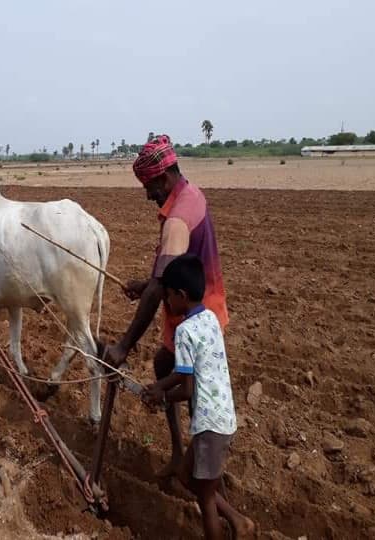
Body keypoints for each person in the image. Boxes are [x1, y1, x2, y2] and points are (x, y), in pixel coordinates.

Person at [104, 134, 229, 475]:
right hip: (206, 309)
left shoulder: (176, 220)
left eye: (149, 186)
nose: (148, 194)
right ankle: (180, 456)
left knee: (197, 402)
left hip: (195, 319)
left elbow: (162, 286)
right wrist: (144, 284)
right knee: (164, 364)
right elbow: (169, 273)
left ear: (163, 177)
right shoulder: (192, 194)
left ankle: (200, 474)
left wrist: (123, 346)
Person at [141, 254, 253, 539]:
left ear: (181, 295)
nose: (165, 302)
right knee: (185, 476)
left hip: (208, 426)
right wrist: (162, 387)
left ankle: (237, 523)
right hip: (223, 416)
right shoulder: (210, 319)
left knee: (205, 497)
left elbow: (187, 388)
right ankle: (239, 522)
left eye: (168, 296)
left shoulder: (184, 331)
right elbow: (183, 374)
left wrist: (160, 394)